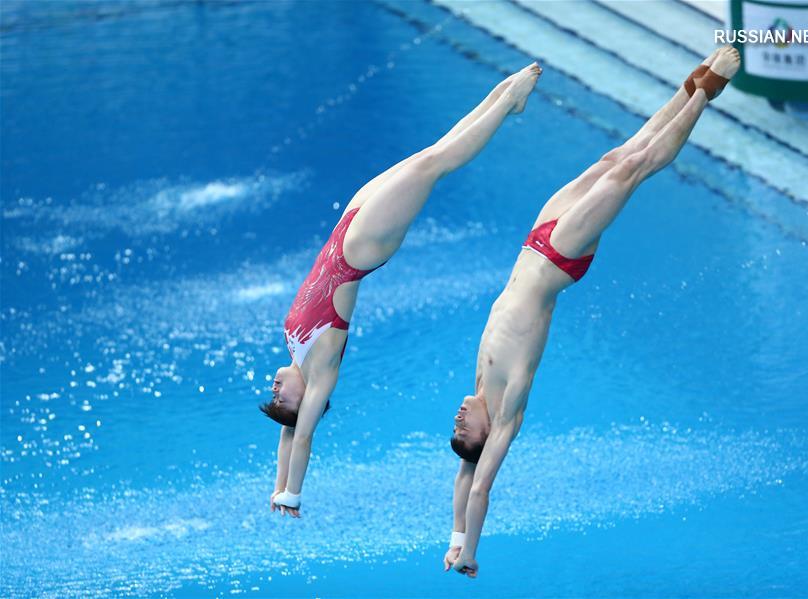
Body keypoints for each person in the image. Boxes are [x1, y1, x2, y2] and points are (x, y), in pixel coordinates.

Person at [443, 46, 741, 577]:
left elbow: (462, 478)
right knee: (633, 169)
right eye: (465, 430)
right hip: (558, 258)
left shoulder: (480, 384)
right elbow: (480, 481)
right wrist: (469, 554)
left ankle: (686, 87)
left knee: (615, 157)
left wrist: (453, 534)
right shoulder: (507, 410)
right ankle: (706, 94)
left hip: (535, 239)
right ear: (485, 437)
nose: (459, 419)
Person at [262, 63, 544, 517]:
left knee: (429, 157)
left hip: (345, 229)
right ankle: (508, 99)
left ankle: (504, 96)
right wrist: (292, 494)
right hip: (360, 249)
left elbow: (286, 435)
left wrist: (276, 487)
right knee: (435, 165)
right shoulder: (320, 373)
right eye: (282, 402)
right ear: (305, 402)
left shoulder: (296, 353)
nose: (275, 392)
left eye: (274, 400)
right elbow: (301, 434)